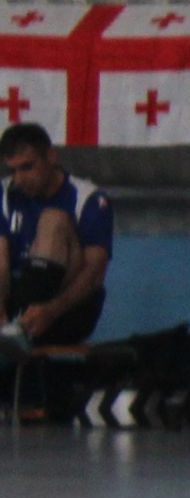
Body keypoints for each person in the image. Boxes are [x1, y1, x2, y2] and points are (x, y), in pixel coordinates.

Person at [1, 125, 113, 349]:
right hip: (15, 298)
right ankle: (12, 328)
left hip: (66, 308)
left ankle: (21, 326)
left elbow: (94, 273)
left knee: (54, 220)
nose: (20, 179)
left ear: (51, 157)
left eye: (27, 167)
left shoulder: (88, 199)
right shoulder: (6, 195)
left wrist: (51, 310)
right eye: (13, 170)